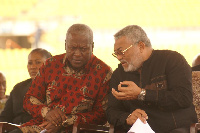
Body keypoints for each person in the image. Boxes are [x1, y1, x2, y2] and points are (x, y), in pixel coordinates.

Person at [19, 24, 112, 133]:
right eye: (72, 48)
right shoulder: (50, 64)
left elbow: (101, 114)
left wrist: (65, 122)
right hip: (41, 126)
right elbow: (29, 99)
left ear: (92, 46)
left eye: (83, 49)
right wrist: (47, 112)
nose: (77, 54)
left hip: (78, 130)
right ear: (65, 45)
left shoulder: (104, 72)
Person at [106, 25, 197, 133]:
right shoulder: (119, 74)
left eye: (121, 52)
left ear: (140, 46)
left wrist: (142, 94)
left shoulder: (172, 60)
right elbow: (111, 111)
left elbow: (183, 97)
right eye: (116, 54)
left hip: (174, 128)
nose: (119, 57)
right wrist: (127, 117)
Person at [0, 48, 52, 133]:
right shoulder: (18, 88)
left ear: (49, 64)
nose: (32, 67)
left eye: (38, 62)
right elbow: (5, 117)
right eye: (30, 63)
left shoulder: (54, 88)